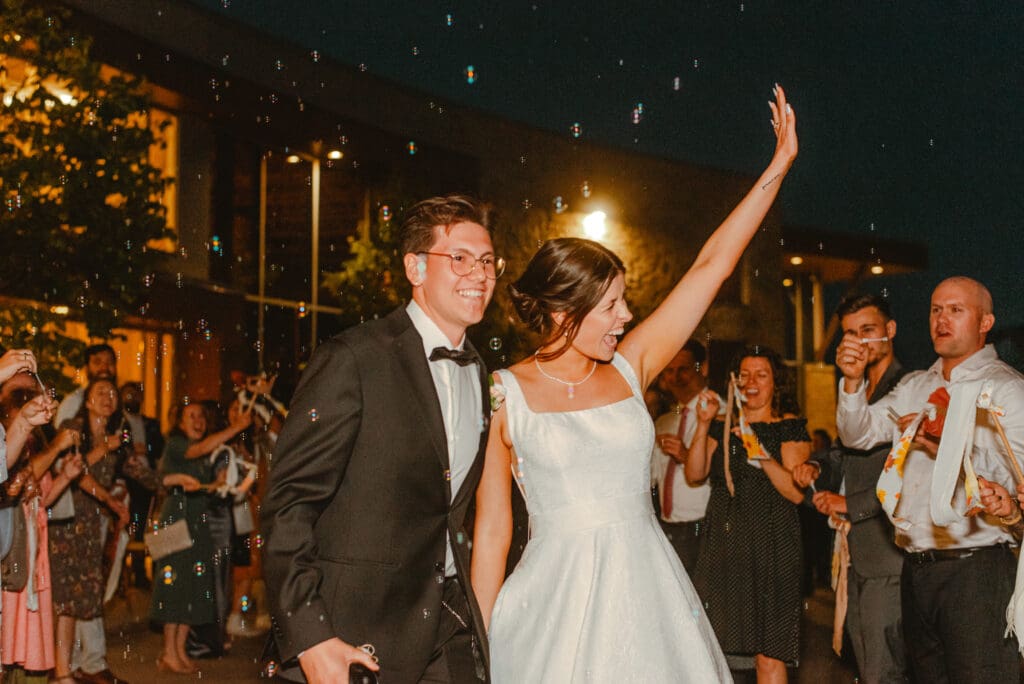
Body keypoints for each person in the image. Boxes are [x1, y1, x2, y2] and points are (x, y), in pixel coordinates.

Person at [471, 85, 797, 682]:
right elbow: (493, 529)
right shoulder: (503, 395)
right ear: (564, 310)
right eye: (612, 306)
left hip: (647, 603)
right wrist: (485, 640)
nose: (626, 317)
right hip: (552, 609)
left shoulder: (631, 366)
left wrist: (777, 167)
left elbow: (712, 265)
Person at [262, 195, 501, 683]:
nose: (479, 274)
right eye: (459, 258)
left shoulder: (480, 374)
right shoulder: (354, 358)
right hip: (352, 636)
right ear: (415, 268)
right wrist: (310, 636)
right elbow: (289, 505)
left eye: (487, 261)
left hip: (445, 633)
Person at [836, 276, 1024, 682]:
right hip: (916, 568)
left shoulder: (1007, 388)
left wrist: (950, 451)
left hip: (976, 570)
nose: (942, 319)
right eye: (936, 309)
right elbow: (858, 434)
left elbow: (1018, 480)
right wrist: (852, 382)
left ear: (985, 322)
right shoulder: (916, 386)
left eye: (956, 310)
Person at [792, 294, 908, 684]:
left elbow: (912, 474)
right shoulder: (855, 391)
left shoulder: (908, 387)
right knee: (863, 661)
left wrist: (850, 503)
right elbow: (844, 451)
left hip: (889, 553)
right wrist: (817, 466)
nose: (858, 342)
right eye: (850, 334)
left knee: (884, 669)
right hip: (854, 552)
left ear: (890, 330)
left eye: (868, 330)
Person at [687, 347, 811, 683]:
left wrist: (757, 450)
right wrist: (703, 424)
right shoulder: (722, 427)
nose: (751, 382)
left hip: (772, 544)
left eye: (761, 374)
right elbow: (694, 474)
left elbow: (796, 492)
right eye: (744, 374)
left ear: (776, 383)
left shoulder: (789, 426)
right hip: (724, 545)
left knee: (768, 655)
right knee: (712, 647)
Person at [55, 344, 149, 684]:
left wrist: (170, 479)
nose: (108, 396)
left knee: (91, 591)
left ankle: (87, 663)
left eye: (112, 393)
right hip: (71, 517)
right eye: (101, 392)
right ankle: (77, 665)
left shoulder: (119, 427)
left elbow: (134, 469)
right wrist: (111, 498)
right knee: (74, 594)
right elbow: (68, 467)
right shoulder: (72, 416)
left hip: (101, 518)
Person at [149, 399, 251, 674]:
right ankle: (168, 652)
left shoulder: (206, 452)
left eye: (201, 417)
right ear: (180, 423)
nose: (198, 421)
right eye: (191, 416)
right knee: (174, 588)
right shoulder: (177, 444)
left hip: (198, 521)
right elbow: (199, 449)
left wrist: (218, 483)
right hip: (176, 520)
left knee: (193, 588)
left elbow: (205, 485)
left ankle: (179, 650)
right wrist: (237, 427)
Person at [651, 340, 713, 574]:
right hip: (667, 526)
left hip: (703, 528)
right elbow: (651, 477)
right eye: (669, 370)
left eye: (683, 369)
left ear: (702, 368)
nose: (675, 377)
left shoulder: (722, 413)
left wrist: (687, 457)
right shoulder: (664, 421)